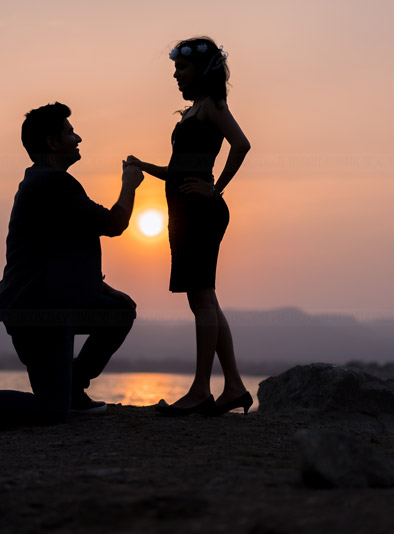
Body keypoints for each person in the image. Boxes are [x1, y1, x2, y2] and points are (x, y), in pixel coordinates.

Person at [0, 102, 144, 436]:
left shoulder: (48, 183)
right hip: (37, 311)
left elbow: (58, 253)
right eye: (70, 132)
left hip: (54, 304)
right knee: (49, 411)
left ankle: (72, 389)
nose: (79, 138)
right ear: (52, 142)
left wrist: (103, 289)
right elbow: (114, 224)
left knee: (117, 312)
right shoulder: (53, 184)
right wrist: (129, 183)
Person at [126, 37, 252, 416]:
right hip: (185, 211)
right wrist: (143, 166)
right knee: (206, 297)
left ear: (203, 69)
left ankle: (200, 391)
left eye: (182, 68)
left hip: (200, 211)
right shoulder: (193, 110)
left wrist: (215, 188)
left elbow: (241, 144)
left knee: (200, 298)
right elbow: (181, 170)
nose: (177, 76)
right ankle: (233, 387)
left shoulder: (212, 106)